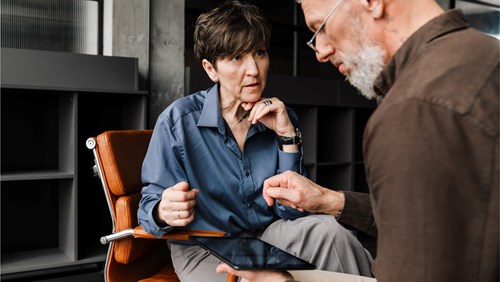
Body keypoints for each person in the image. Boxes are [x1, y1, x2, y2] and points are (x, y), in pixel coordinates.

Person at [217, 0, 499, 281]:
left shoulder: (412, 109)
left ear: (373, 3)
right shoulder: (487, 55)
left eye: (322, 27)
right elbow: (451, 222)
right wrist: (328, 200)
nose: (322, 52)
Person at [138, 1, 373, 281]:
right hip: (207, 247)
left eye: (259, 53)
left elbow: (292, 211)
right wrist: (163, 211)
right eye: (236, 57)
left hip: (267, 236)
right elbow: (147, 212)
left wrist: (287, 135)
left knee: (332, 232)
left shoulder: (281, 117)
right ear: (211, 69)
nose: (253, 69)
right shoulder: (178, 122)